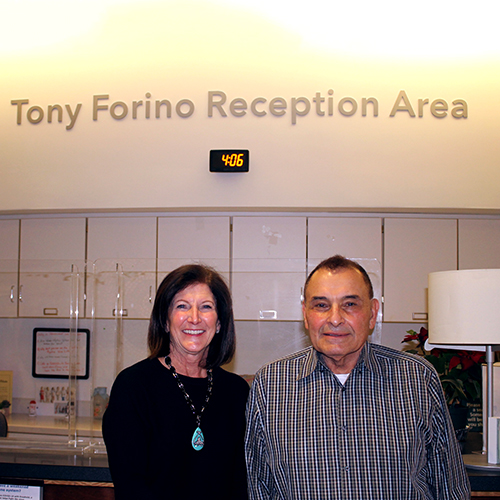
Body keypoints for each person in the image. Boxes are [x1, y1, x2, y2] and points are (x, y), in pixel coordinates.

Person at [245, 255, 470, 500]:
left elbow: (450, 488)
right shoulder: (271, 384)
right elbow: (258, 487)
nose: (334, 318)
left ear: (373, 313)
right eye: (321, 305)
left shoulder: (417, 379)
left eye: (350, 304)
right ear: (306, 315)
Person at [103, 264, 249, 500]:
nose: (194, 318)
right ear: (165, 321)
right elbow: (131, 487)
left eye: (206, 307)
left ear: (219, 322)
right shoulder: (134, 387)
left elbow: (240, 483)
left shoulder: (237, 392)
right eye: (182, 306)